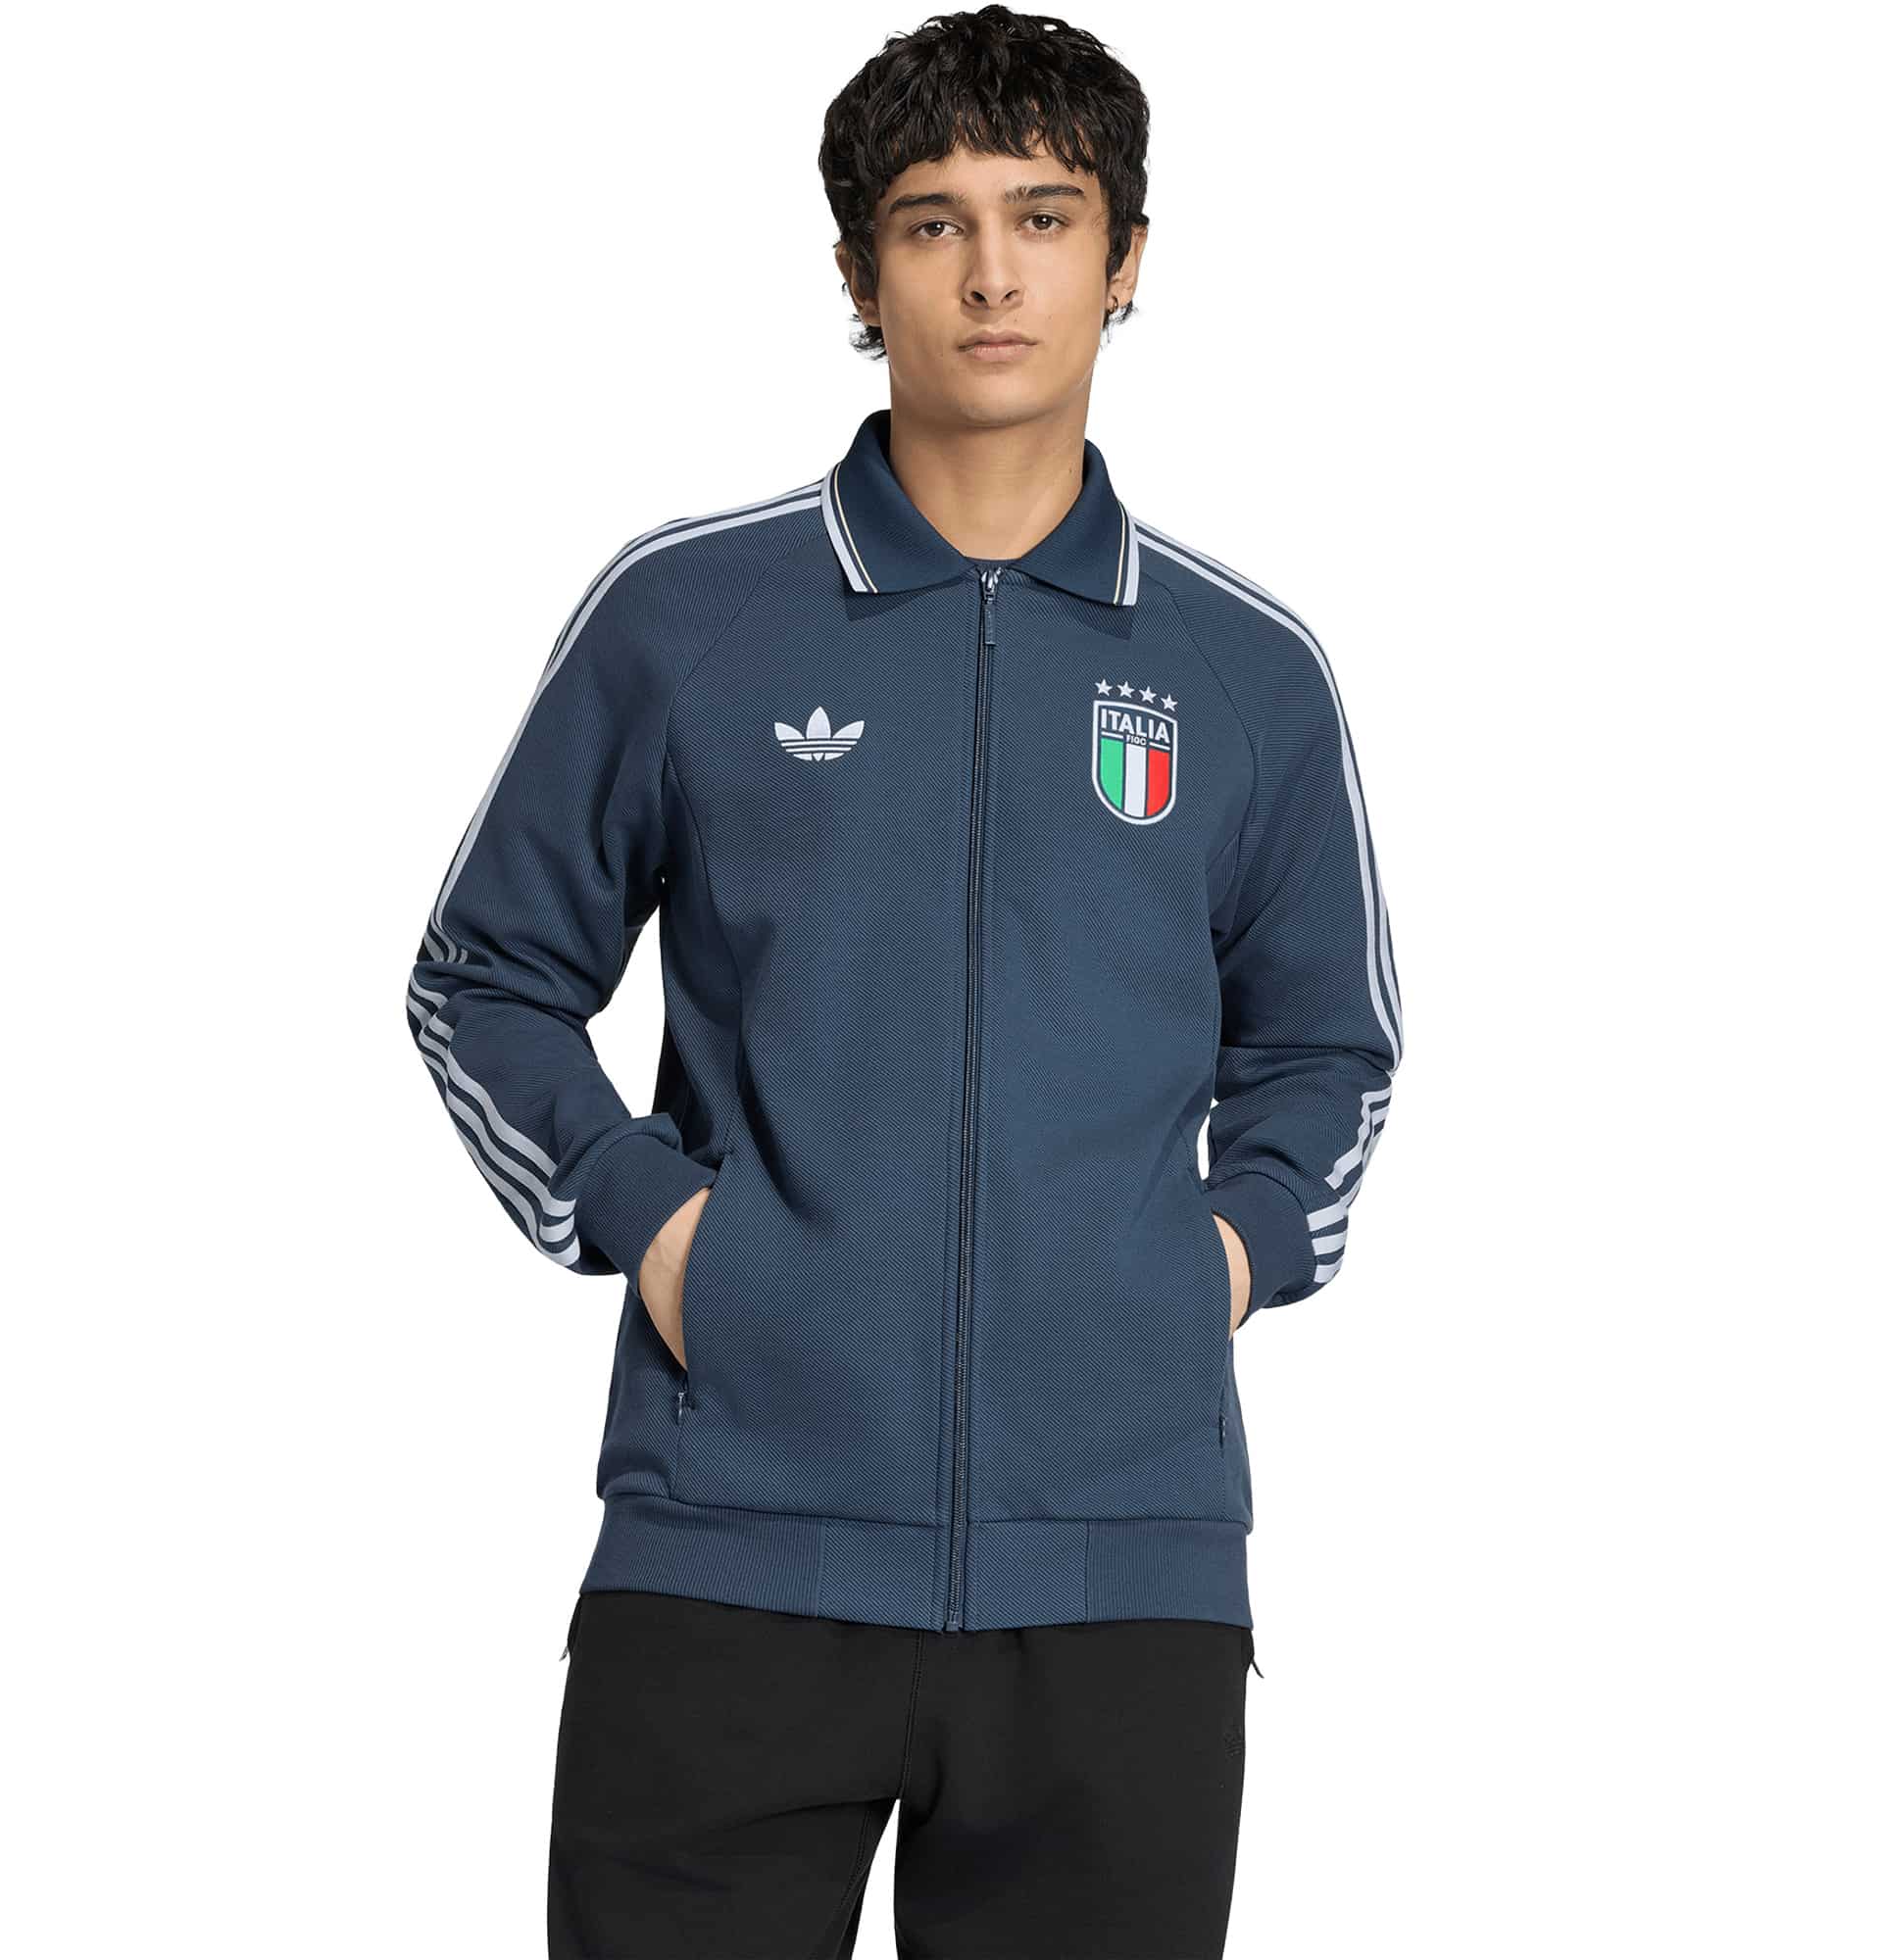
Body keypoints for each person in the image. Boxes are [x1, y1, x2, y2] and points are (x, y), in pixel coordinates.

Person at [404, 8, 1403, 1953]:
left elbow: (1325, 1047)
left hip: (1119, 1580)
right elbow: (483, 977)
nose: (992, 274)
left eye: (1045, 216)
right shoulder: (690, 618)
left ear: (1127, 257)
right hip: (730, 1549)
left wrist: (1220, 1258)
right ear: (860, 274)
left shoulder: (1243, 673)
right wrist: (657, 1228)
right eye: (934, 223)